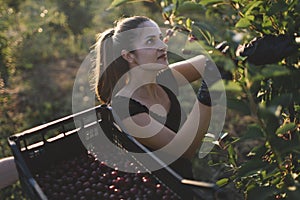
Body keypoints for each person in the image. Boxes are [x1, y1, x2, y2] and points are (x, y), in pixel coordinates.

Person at [92, 15, 221, 182]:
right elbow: (183, 151)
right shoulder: (125, 108)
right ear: (129, 56)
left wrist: (242, 49)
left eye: (160, 38)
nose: (163, 46)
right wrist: (206, 95)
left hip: (184, 179)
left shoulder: (162, 78)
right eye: (150, 42)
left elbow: (212, 62)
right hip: (165, 188)